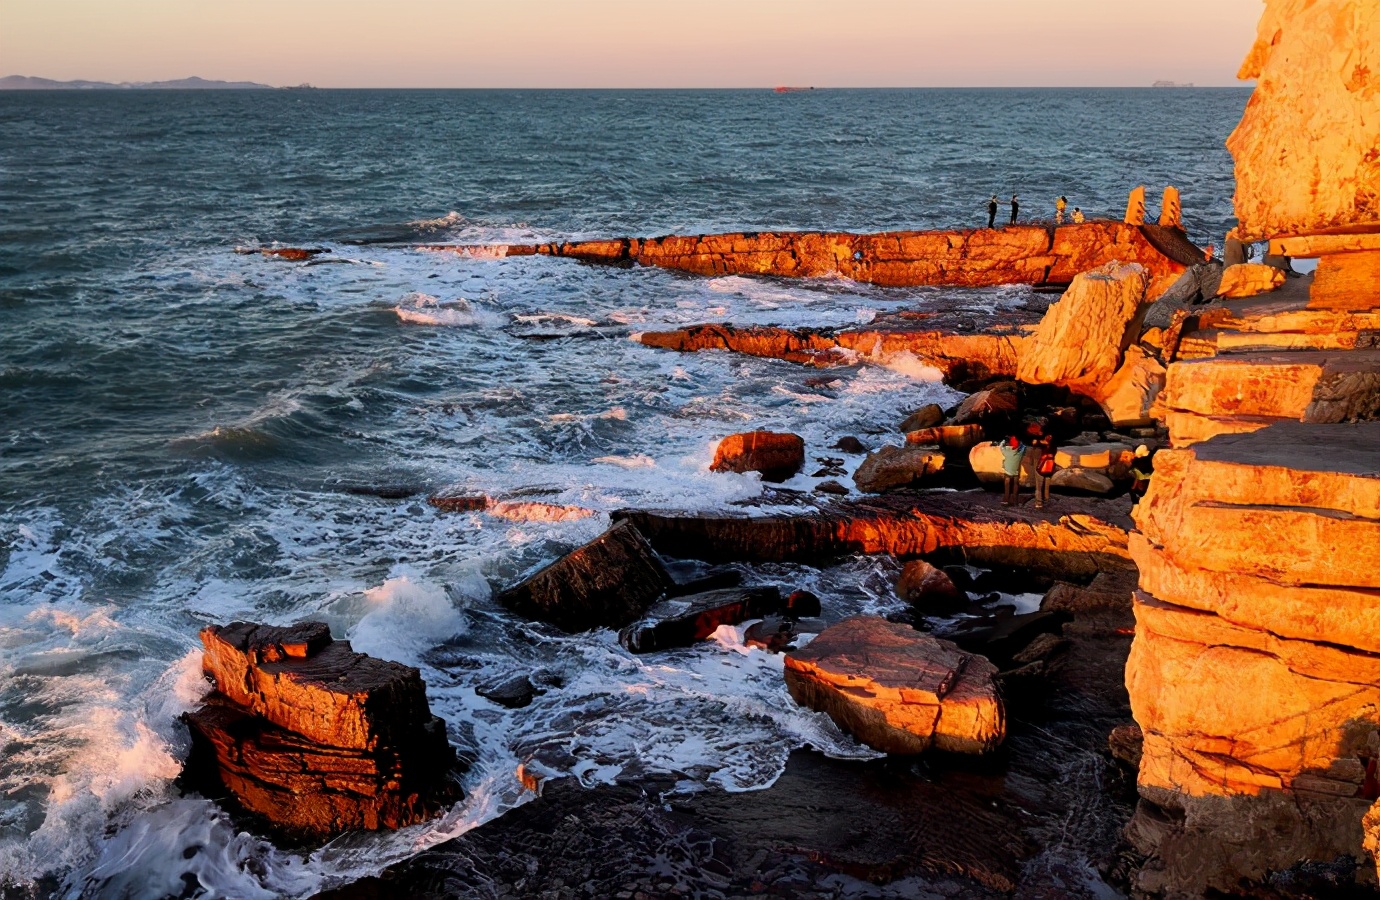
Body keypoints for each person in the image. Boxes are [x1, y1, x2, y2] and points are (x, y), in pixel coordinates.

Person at [998, 435, 1026, 506]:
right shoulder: (1020, 452)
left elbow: (1000, 447)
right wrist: (1020, 443)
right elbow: (1024, 446)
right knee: (1015, 484)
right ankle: (1015, 500)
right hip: (1015, 472)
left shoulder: (1007, 451)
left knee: (1007, 485)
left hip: (1008, 472)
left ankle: (1006, 500)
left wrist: (1004, 441)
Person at [1031, 431, 1056, 508]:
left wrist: (1038, 438)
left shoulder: (1042, 445)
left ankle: (1039, 502)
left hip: (1042, 468)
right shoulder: (1054, 447)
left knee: (1039, 486)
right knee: (1047, 484)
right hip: (1050, 468)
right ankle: (1047, 499)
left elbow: (1035, 442)